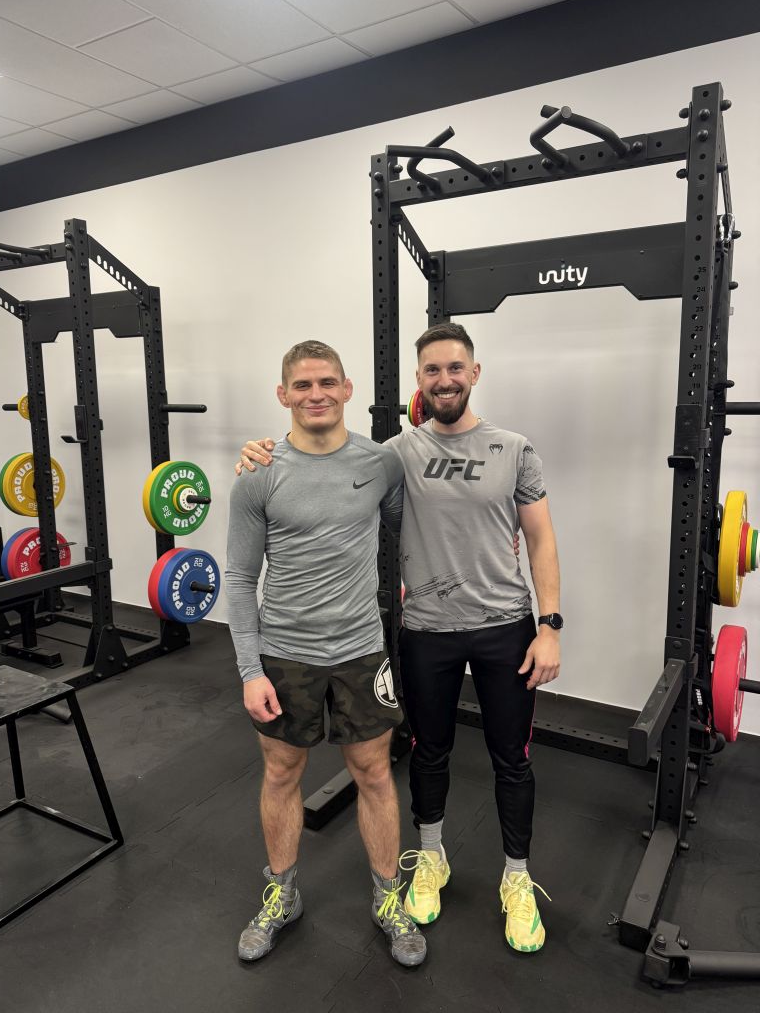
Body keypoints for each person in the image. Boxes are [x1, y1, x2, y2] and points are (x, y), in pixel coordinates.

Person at [237, 323, 561, 953]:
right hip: (421, 631)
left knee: (509, 759)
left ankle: (516, 880)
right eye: (432, 370)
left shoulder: (507, 449)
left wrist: (549, 625)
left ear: (474, 373)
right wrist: (258, 452)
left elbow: (541, 537)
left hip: (498, 627)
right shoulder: (392, 454)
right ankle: (427, 859)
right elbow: (286, 532)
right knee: (426, 752)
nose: (445, 380)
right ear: (418, 381)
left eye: (455, 368)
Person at [225, 339, 426, 968]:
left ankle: (389, 899)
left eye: (327, 383)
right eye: (303, 385)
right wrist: (250, 670)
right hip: (286, 654)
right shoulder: (258, 474)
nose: (316, 394)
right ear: (283, 394)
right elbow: (239, 578)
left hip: (361, 650)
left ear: (347, 389)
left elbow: (414, 528)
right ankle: (281, 896)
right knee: (282, 773)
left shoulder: (380, 462)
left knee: (375, 774)